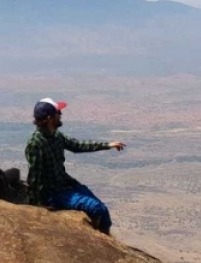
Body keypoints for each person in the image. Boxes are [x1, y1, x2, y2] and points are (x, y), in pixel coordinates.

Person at [24, 98, 125, 233]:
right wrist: (36, 207)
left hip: (66, 184)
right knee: (96, 208)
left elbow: (78, 146)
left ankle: (105, 239)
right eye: (58, 112)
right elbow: (35, 176)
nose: (60, 115)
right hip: (53, 192)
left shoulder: (56, 136)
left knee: (103, 211)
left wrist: (107, 145)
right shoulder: (36, 143)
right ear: (49, 118)